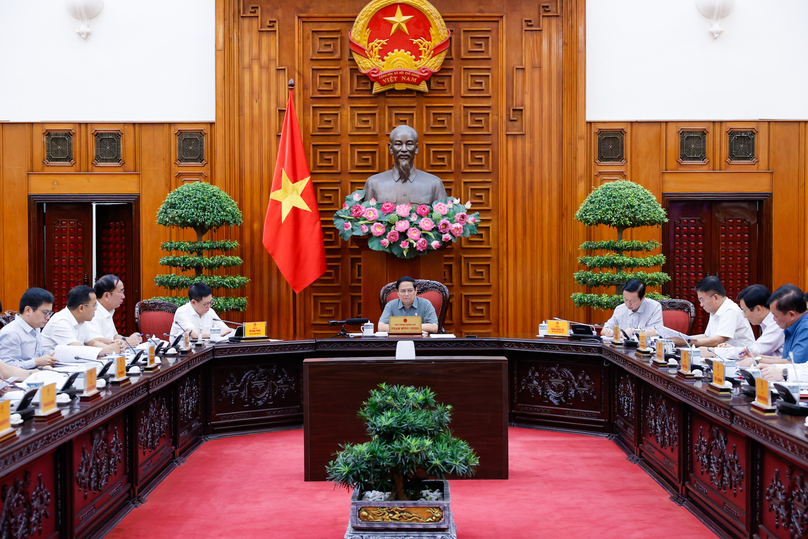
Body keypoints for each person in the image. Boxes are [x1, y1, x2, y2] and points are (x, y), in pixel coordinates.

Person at [362, 125, 447, 205]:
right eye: (398, 144)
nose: (404, 149)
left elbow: (444, 219)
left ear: (416, 148)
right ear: (391, 149)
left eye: (409, 144)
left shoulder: (434, 184)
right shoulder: (373, 183)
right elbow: (364, 217)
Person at [41, 285, 122, 355]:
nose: (96, 309)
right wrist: (108, 350)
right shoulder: (60, 321)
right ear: (81, 308)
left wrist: (113, 348)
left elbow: (92, 343)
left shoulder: (82, 320)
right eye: (94, 305)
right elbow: (77, 350)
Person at [682, 276, 754, 348]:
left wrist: (684, 341)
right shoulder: (715, 309)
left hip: (741, 357)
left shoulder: (730, 310)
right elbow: (707, 336)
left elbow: (718, 340)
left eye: (702, 300)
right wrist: (684, 339)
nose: (701, 305)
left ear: (715, 297)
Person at [757, 285, 808, 381]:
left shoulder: (805, 328)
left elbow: (794, 363)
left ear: (791, 314)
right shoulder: (791, 326)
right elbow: (789, 360)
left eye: (775, 315)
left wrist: (782, 373)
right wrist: (757, 358)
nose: (773, 319)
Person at [0, 287, 57, 369]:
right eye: (45, 313)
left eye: (49, 313)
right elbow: (7, 368)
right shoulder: (11, 333)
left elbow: (40, 353)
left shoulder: (35, 327)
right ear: (28, 310)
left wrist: (56, 355)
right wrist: (36, 362)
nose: (48, 317)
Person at [734, 284, 784, 366]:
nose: (744, 316)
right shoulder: (766, 323)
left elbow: (753, 351)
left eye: (745, 311)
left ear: (758, 309)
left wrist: (715, 351)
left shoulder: (776, 324)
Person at [88, 274, 141, 346]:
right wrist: (126, 343)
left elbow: (114, 336)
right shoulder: (92, 311)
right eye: (121, 292)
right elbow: (96, 341)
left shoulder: (108, 310)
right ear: (106, 296)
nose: (123, 296)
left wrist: (128, 339)